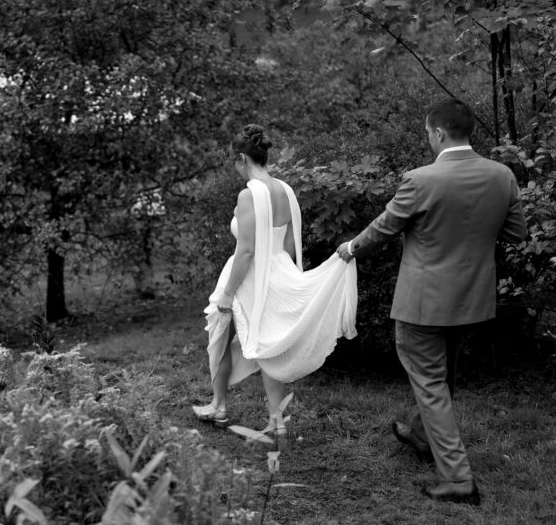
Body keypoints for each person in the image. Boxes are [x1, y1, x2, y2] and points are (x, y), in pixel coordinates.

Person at [337, 98, 527, 505]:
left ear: (439, 133)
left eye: (427, 133)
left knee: (431, 384)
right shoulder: (503, 175)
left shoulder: (420, 180)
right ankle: (422, 436)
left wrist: (351, 247)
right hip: (472, 301)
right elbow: (516, 234)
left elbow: (384, 229)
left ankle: (459, 480)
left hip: (422, 305)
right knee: (443, 378)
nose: (428, 139)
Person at [193, 124, 358, 436]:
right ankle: (276, 422)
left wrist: (228, 294)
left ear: (242, 158)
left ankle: (219, 407)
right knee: (271, 345)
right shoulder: (286, 190)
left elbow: (246, 252)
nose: (234, 167)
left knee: (221, 339)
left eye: (234, 161)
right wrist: (280, 274)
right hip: (279, 270)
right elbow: (289, 243)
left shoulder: (248, 195)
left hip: (248, 276)